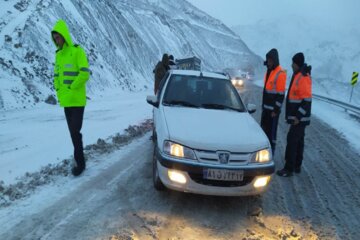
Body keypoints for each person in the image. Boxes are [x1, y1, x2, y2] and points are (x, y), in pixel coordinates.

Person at [52, 19, 91, 176]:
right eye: (54, 39)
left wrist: (70, 87)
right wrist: (58, 89)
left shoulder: (77, 51)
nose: (57, 41)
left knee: (75, 132)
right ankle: (80, 160)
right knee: (73, 133)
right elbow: (56, 75)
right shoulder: (58, 55)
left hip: (77, 100)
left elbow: (84, 73)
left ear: (64, 36)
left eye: (58, 37)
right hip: (66, 101)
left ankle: (80, 164)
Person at [277, 52, 312, 177]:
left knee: (292, 140)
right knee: (299, 141)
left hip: (299, 119)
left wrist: (298, 116)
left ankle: (289, 168)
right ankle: (297, 165)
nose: (291, 65)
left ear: (297, 64)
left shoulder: (303, 77)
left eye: (293, 63)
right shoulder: (298, 75)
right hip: (299, 118)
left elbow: (306, 100)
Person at [261, 48, 287, 155]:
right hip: (266, 110)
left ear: (275, 60)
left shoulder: (280, 73)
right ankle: (263, 154)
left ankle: (271, 155)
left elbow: (280, 95)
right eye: (268, 60)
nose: (269, 62)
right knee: (264, 133)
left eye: (270, 60)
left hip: (272, 112)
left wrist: (276, 110)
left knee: (271, 135)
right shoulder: (269, 71)